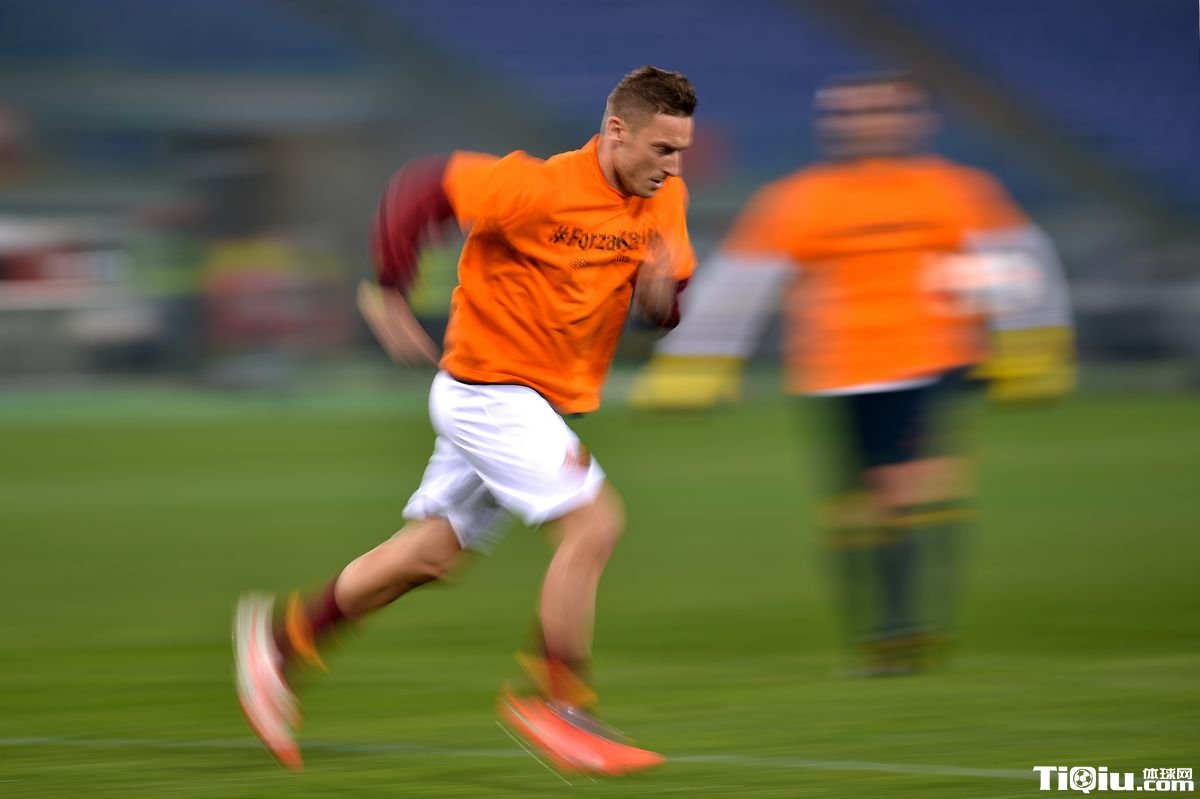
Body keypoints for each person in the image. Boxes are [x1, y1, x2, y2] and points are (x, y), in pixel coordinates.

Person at [234, 65, 698, 774]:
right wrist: (390, 288)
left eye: (680, 151)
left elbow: (664, 307)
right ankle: (559, 701)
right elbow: (422, 189)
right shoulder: (537, 187)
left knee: (429, 555)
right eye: (662, 148)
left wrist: (661, 299)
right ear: (615, 132)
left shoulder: (664, 200)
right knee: (594, 523)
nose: (674, 166)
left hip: (531, 400)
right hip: (490, 391)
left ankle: (281, 644)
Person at [631, 72, 1073, 674]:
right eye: (850, 115)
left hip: (932, 360)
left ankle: (899, 633)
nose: (865, 125)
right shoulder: (800, 200)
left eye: (879, 113)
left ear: (914, 122)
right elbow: (740, 284)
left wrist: (1032, 345)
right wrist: (693, 366)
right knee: (853, 506)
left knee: (905, 488)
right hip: (838, 372)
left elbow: (1018, 262)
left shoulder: (955, 191)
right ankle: (887, 632)